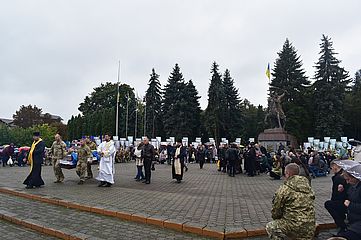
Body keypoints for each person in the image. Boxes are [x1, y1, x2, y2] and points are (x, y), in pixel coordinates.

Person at [266, 163, 316, 239]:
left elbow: (276, 211)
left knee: (271, 227)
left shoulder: (284, 189)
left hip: (293, 225)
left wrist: (279, 218)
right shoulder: (308, 187)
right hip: (310, 225)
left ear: (288, 174)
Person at [332, 168, 361, 240]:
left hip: (358, 221)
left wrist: (350, 205)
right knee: (330, 204)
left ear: (355, 178)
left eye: (348, 179)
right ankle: (343, 226)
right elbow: (346, 197)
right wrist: (342, 190)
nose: (347, 182)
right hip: (352, 219)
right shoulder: (351, 186)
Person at [324, 161, 349, 235]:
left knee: (329, 205)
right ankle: (342, 227)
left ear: (335, 166)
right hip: (343, 200)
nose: (331, 169)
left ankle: (343, 226)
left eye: (332, 167)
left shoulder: (339, 177)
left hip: (342, 201)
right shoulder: (339, 175)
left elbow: (338, 193)